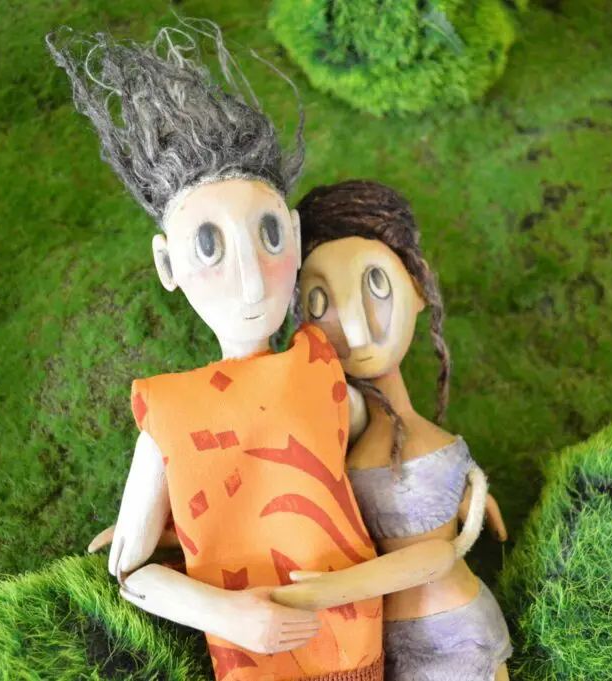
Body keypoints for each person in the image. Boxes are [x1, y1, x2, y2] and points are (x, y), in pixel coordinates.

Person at [46, 22, 387, 681]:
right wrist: (228, 613)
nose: (252, 278)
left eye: (268, 235)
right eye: (209, 246)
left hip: (358, 639)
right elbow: (129, 571)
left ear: (294, 235)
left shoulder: (321, 366)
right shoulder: (170, 411)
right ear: (167, 264)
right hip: (255, 658)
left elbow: (369, 466)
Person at [288, 179, 513, 681]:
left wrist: (333, 590)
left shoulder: (411, 439)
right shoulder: (344, 432)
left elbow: (434, 555)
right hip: (392, 644)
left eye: (375, 284)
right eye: (319, 301)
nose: (357, 329)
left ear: (417, 285)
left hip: (460, 628)